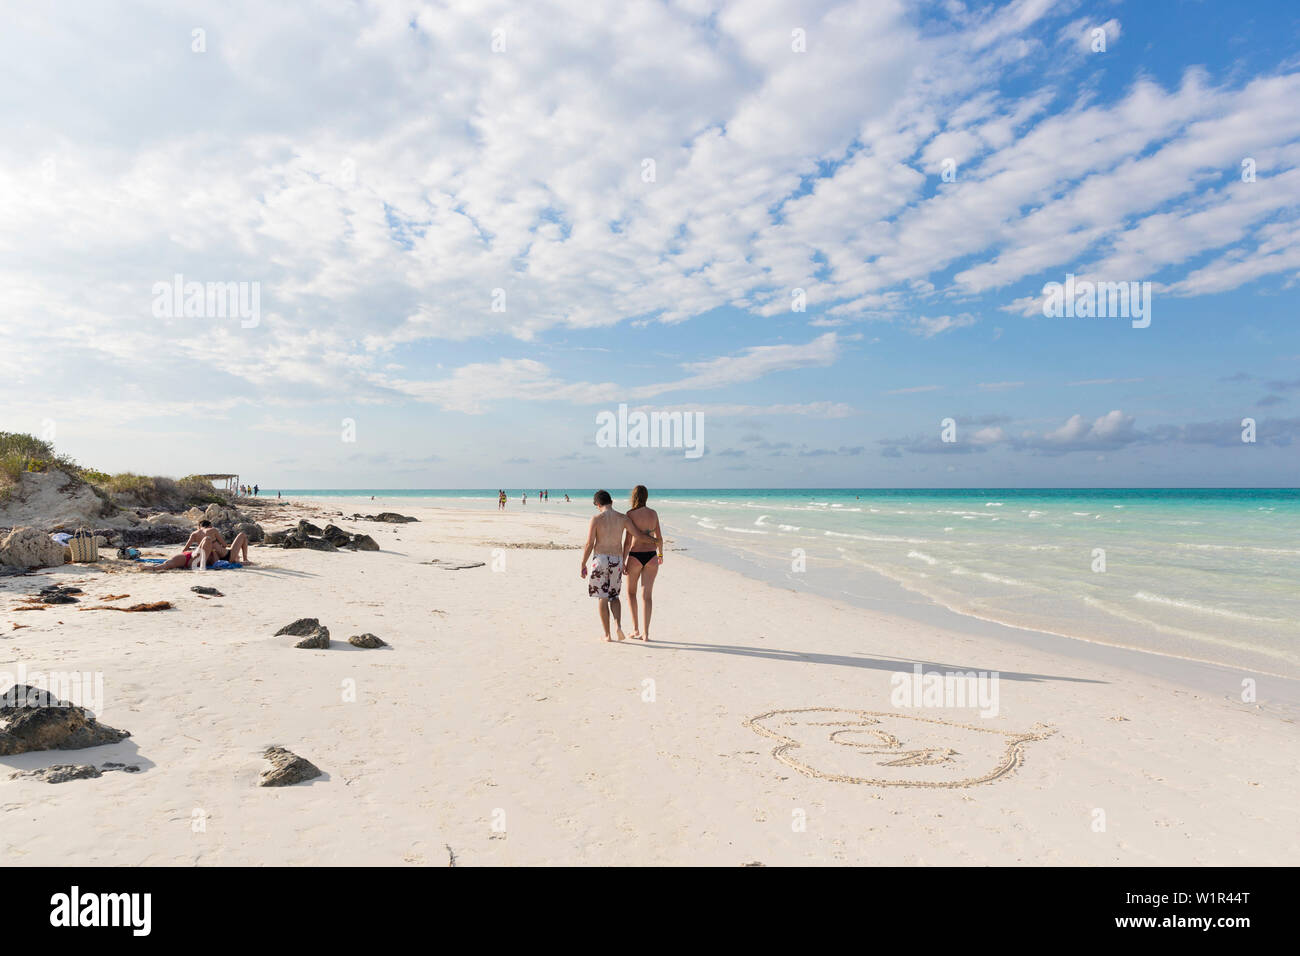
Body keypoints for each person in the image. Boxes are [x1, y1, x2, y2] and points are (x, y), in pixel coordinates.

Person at [580, 489, 639, 642]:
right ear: (611, 502)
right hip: (617, 560)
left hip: (600, 559)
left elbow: (589, 543)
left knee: (602, 597)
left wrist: (583, 563)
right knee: (614, 596)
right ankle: (618, 625)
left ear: (598, 504)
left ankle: (607, 635)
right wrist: (655, 541)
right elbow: (636, 535)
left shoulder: (596, 518)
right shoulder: (623, 518)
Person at [622, 485, 663, 641]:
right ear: (646, 496)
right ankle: (646, 634)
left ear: (633, 496)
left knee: (631, 593)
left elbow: (627, 542)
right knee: (647, 596)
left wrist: (623, 561)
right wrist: (660, 554)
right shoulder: (653, 513)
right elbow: (659, 537)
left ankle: (635, 629)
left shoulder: (630, 514)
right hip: (652, 556)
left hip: (635, 556)